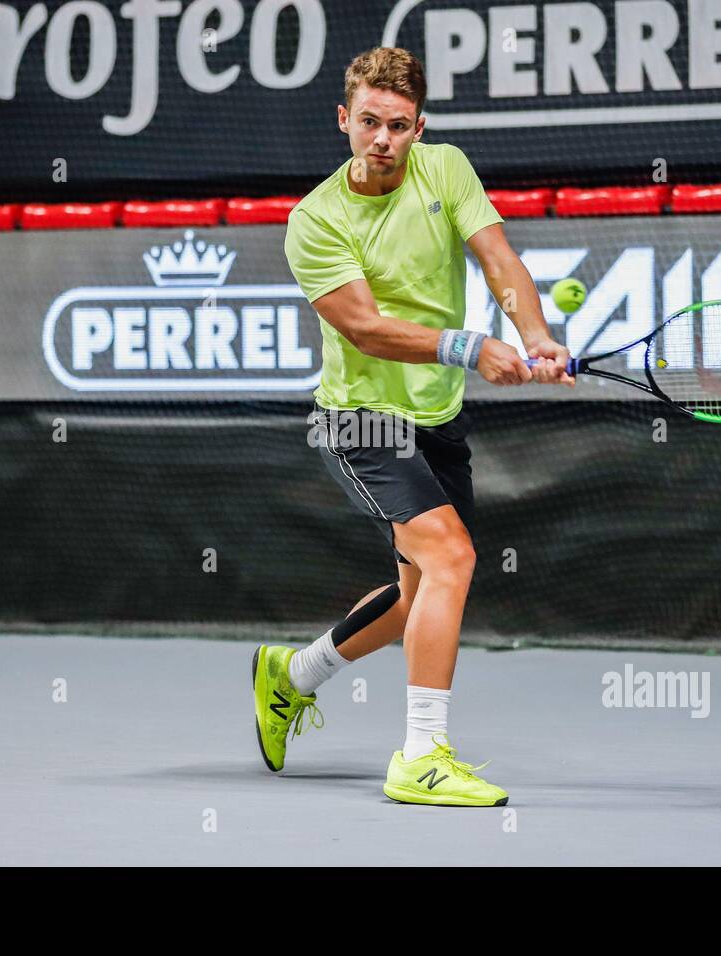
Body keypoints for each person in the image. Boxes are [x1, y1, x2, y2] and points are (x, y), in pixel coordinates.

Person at [254, 46, 574, 807]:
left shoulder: (448, 168)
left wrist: (534, 333)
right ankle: (422, 757)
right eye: (368, 122)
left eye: (398, 126)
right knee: (455, 560)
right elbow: (364, 327)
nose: (382, 140)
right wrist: (470, 347)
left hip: (434, 414)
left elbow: (499, 260)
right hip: (361, 419)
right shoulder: (315, 221)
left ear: (418, 127)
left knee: (418, 596)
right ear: (344, 119)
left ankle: (292, 676)